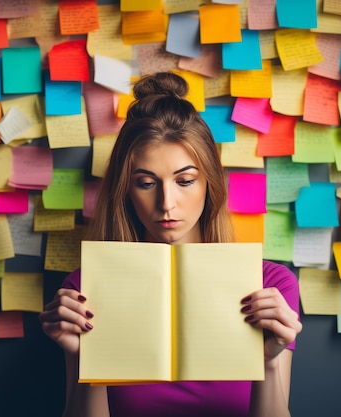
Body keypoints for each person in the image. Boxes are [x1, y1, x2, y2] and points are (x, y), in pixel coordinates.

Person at [39, 72, 302, 417]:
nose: (167, 202)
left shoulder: (271, 286)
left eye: (185, 180)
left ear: (209, 183)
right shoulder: (84, 289)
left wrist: (267, 363)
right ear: (125, 190)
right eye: (146, 183)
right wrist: (85, 358)